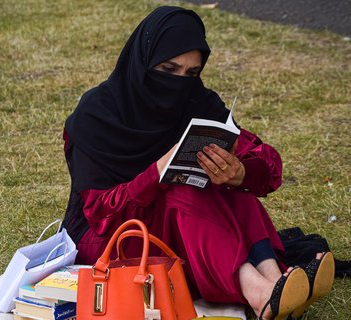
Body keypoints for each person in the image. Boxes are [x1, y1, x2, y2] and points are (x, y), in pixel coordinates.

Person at [62, 6, 334, 319]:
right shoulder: (97, 114)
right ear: (144, 61)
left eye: (191, 73)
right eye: (168, 69)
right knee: (183, 192)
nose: (180, 82)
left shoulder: (196, 101)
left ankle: (276, 282)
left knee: (230, 191)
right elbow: (100, 212)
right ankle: (259, 293)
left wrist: (239, 172)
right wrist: (157, 172)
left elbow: (267, 164)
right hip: (112, 239)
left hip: (179, 227)